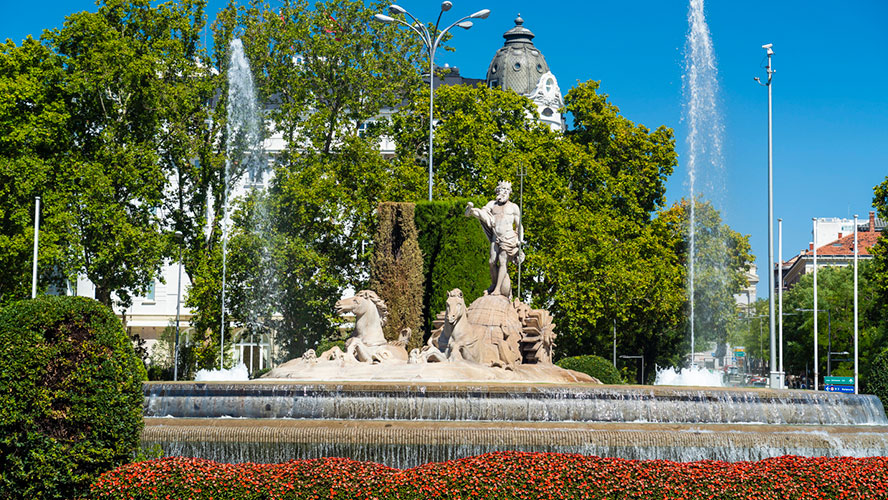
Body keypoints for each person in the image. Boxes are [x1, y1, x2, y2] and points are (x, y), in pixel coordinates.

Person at [465, 181, 524, 297]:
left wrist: (520, 240)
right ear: (497, 191)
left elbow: (519, 225)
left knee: (502, 261)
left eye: (507, 190)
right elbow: (483, 214)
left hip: (509, 238)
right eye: (502, 190)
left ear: (509, 193)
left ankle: (497, 289)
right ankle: (494, 284)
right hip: (495, 237)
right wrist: (472, 211)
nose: (504, 193)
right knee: (492, 261)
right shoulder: (492, 204)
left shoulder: (513, 207)